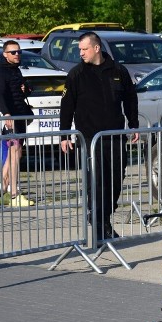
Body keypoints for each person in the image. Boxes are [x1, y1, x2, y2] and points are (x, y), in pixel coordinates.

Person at [59, 32, 139, 240]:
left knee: (115, 180)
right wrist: (64, 134)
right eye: (79, 50)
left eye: (84, 49)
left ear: (96, 48)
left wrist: (134, 125)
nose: (81, 53)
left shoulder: (118, 71)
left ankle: (103, 218)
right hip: (89, 138)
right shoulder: (76, 74)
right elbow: (67, 106)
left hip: (114, 136)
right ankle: (97, 222)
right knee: (96, 182)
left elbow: (130, 99)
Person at [0, 40, 34, 206]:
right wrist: (6, 113)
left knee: (15, 153)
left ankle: (3, 192)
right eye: (13, 52)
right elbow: (0, 94)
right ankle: (14, 194)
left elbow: (19, 90)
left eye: (18, 52)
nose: (17, 55)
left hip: (20, 114)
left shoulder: (15, 70)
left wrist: (26, 88)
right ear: (5, 54)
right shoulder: (1, 72)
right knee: (14, 151)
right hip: (11, 117)